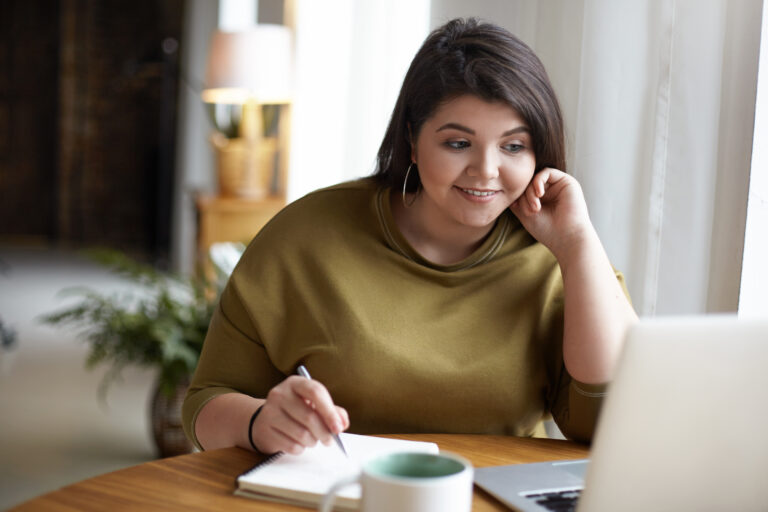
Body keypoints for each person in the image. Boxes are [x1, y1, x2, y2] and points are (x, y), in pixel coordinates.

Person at [182, 17, 637, 455]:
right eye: (458, 143)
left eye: (513, 146)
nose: (486, 170)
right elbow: (205, 403)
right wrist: (261, 422)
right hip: (337, 495)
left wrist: (577, 245)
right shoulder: (305, 237)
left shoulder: (558, 254)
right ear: (413, 141)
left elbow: (611, 418)